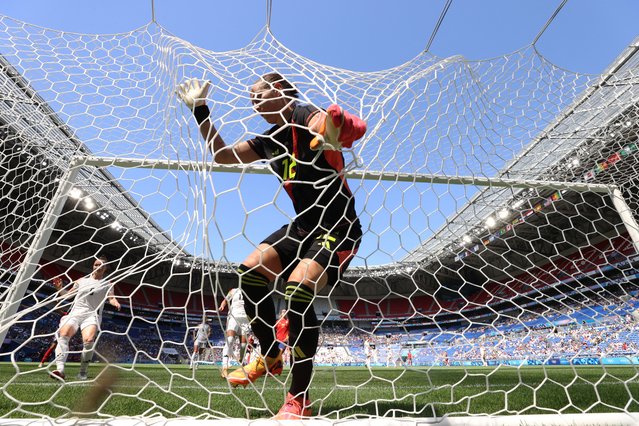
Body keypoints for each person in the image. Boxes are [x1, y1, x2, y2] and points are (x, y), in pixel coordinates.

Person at [177, 73, 366, 419]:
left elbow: (333, 125)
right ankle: (271, 354)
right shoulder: (270, 140)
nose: (253, 100)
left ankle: (299, 398)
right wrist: (201, 111)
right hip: (304, 226)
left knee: (297, 290)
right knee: (249, 271)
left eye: (258, 92)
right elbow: (222, 155)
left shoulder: (303, 115)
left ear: (279, 90)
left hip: (338, 227)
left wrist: (340, 128)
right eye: (250, 96)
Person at [50, 256, 121, 381]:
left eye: (100, 265)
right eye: (95, 264)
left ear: (105, 268)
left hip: (92, 314)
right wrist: (60, 288)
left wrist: (115, 302)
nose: (97, 267)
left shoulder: (108, 284)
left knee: (88, 340)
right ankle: (60, 370)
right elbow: (67, 296)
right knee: (64, 334)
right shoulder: (81, 281)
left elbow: (111, 298)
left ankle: (83, 372)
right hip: (76, 312)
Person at [218, 287, 251, 378]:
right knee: (230, 339)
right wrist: (222, 305)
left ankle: (241, 360)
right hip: (233, 317)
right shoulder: (233, 291)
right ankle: (224, 367)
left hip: (245, 319)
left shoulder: (250, 291)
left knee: (244, 345)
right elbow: (225, 300)